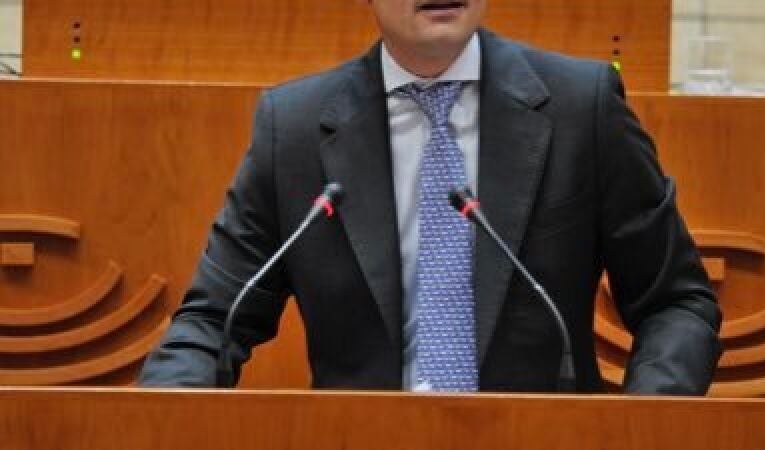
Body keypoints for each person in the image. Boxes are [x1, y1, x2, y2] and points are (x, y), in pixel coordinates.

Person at [139, 0, 722, 394]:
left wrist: (641, 424)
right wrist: (160, 416)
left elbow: (675, 303)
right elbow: (212, 322)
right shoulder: (293, 129)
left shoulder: (581, 107)